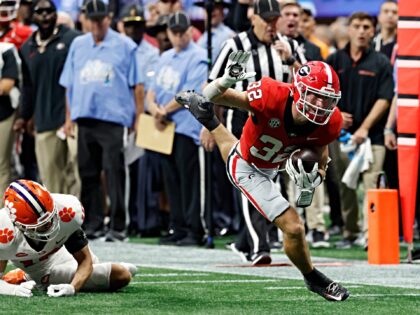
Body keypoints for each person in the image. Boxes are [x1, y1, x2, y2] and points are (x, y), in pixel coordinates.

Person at [176, 51, 349, 301]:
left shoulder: (330, 121)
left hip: (274, 161)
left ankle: (208, 119)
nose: (321, 105)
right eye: (315, 96)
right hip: (248, 165)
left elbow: (321, 155)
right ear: (299, 89)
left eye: (327, 99)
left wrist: (316, 177)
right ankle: (312, 277)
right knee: (294, 227)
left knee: (238, 148)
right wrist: (225, 80)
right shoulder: (271, 95)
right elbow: (213, 96)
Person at [209, 0, 305, 265]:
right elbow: (213, 84)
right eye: (268, 20)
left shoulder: (291, 46)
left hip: (279, 124)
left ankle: (247, 240)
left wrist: (292, 60)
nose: (273, 25)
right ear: (253, 18)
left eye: (276, 19)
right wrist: (210, 125)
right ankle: (256, 245)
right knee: (249, 177)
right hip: (240, 116)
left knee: (273, 181)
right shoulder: (235, 45)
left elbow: (309, 85)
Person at [59, 0, 140, 242]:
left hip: (113, 119)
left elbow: (137, 86)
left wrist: (136, 119)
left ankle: (117, 226)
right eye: (92, 19)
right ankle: (93, 224)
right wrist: (68, 118)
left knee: (114, 171)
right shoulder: (78, 44)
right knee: (88, 173)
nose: (96, 24)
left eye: (100, 19)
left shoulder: (125, 45)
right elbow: (69, 85)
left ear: (109, 18)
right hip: (84, 117)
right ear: (84, 18)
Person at [0, 179, 136, 297]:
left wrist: (73, 288)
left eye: (51, 217)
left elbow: (85, 261)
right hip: (44, 271)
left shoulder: (67, 211)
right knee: (121, 275)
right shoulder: (4, 231)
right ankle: (25, 276)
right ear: (18, 224)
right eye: (41, 225)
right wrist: (13, 290)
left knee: (103, 267)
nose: (49, 225)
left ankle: (22, 276)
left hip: (64, 250)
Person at [327, 12, 394, 248]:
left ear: (372, 30)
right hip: (341, 135)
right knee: (345, 185)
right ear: (350, 30)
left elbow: (385, 99)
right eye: (357, 26)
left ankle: (370, 233)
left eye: (367, 26)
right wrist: (335, 115)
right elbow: (323, 94)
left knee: (371, 184)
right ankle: (350, 232)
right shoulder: (335, 60)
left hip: (372, 136)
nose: (362, 31)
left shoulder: (381, 63)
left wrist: (364, 128)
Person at [146, 11, 208, 246]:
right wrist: (154, 109)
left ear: (190, 31)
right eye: (175, 33)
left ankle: (195, 229)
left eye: (183, 32)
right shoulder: (165, 57)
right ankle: (178, 226)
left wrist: (164, 110)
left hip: (186, 127)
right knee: (170, 181)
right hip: (165, 127)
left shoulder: (199, 56)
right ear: (169, 33)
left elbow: (191, 91)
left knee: (189, 180)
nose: (179, 37)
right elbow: (151, 92)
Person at [16, 0, 81, 197]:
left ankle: (78, 221)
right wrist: (24, 116)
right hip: (44, 120)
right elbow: (28, 87)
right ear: (33, 16)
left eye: (49, 11)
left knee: (76, 173)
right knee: (50, 177)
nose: (45, 16)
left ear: (56, 14)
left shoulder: (73, 40)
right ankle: (57, 224)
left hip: (73, 119)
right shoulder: (27, 48)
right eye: (40, 12)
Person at [0, 42, 20, 197]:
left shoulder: (5, 49)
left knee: (1, 164)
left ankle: (2, 212)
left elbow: (6, 85)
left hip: (3, 114)